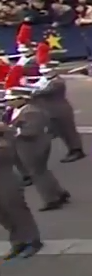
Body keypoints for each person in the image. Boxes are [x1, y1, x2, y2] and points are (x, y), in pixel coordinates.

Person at [3, 66, 71, 212]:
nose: (9, 102)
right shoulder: (18, 110)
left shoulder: (31, 112)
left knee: (37, 173)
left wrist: (7, 129)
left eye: (12, 100)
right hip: (29, 145)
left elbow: (30, 131)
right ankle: (59, 192)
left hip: (33, 146)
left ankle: (51, 199)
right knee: (42, 171)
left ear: (22, 99)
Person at [29, 42, 86, 162]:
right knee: (57, 132)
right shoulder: (44, 80)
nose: (44, 73)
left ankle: (76, 150)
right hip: (50, 111)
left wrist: (27, 91)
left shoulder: (57, 82)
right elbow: (35, 86)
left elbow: (41, 92)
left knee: (68, 132)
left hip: (60, 110)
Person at [0, 120, 42, 259]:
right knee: (3, 214)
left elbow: (8, 149)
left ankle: (32, 241)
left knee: (16, 210)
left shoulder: (6, 138)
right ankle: (17, 241)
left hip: (6, 178)